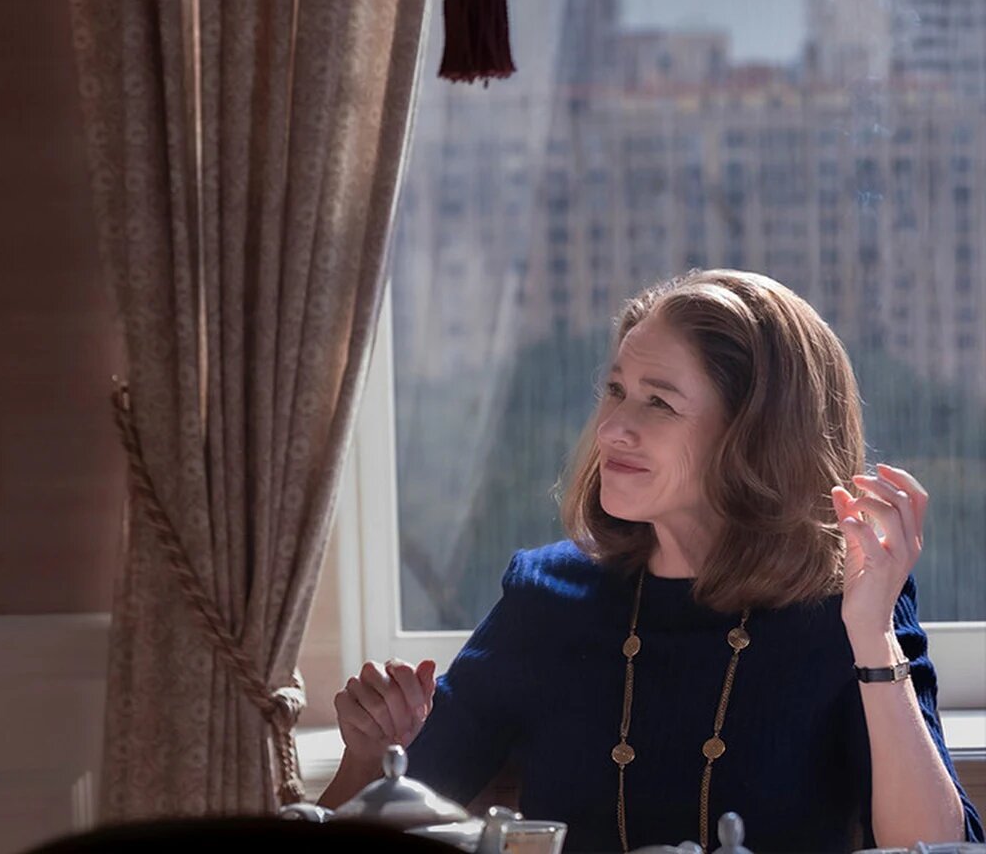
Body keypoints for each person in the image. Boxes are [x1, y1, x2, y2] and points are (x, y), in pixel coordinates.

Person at [320, 270, 981, 852]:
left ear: (756, 435)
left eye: (658, 402)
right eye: (615, 390)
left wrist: (871, 635)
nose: (611, 428)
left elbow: (936, 848)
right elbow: (373, 822)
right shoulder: (545, 598)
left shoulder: (853, 608)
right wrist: (371, 755)